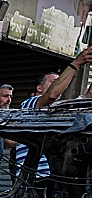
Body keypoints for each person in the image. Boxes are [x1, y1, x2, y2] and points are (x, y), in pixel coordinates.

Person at [15, 47, 92, 179]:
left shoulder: (58, 111)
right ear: (39, 88)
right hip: (33, 180)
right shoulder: (29, 105)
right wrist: (76, 63)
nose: (60, 85)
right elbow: (51, 95)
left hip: (52, 182)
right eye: (53, 82)